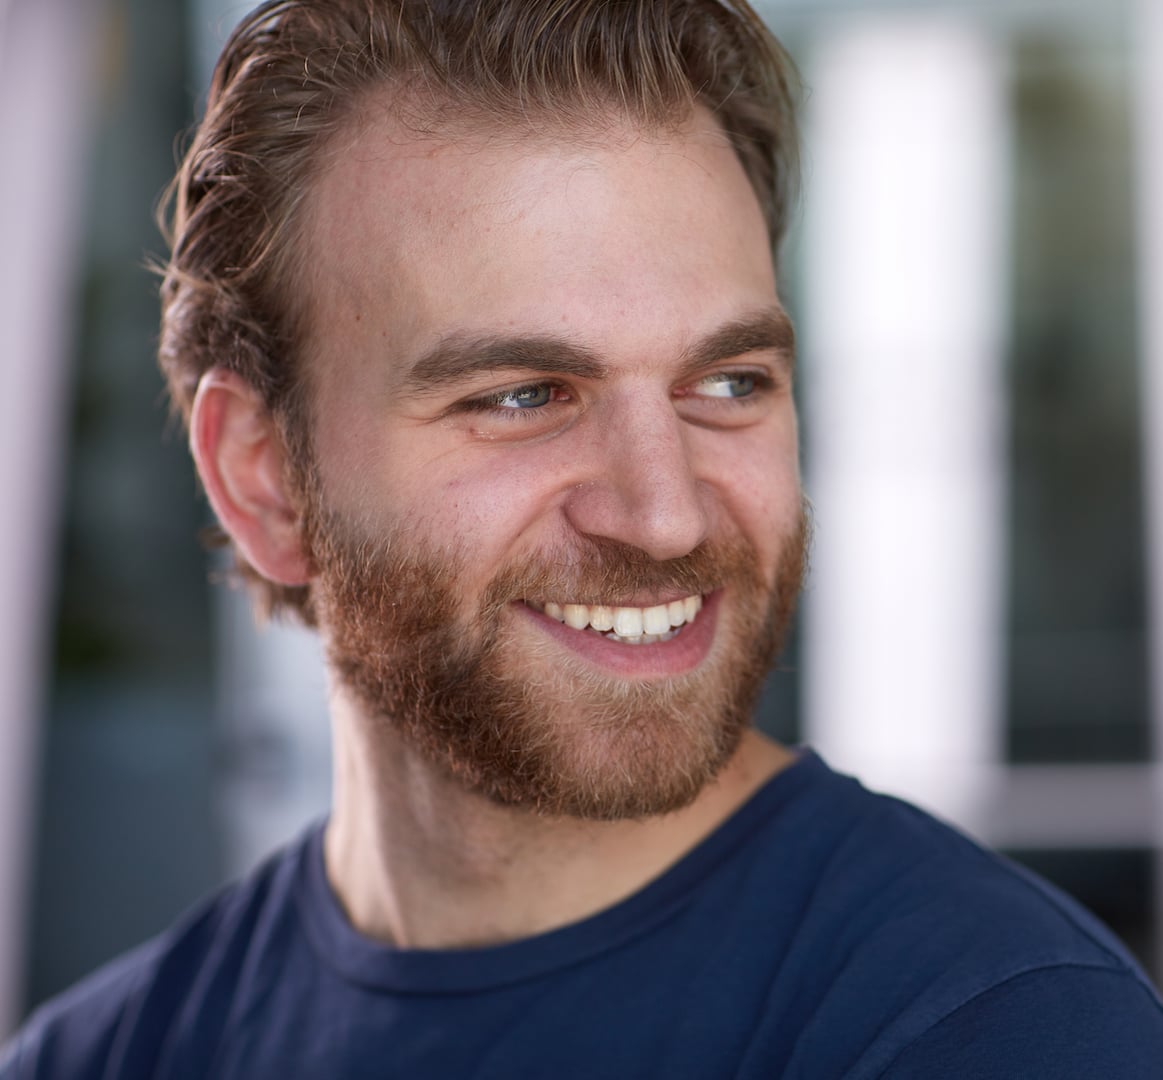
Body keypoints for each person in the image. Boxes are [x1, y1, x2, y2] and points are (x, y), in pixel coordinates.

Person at [4, 0, 1163, 1075]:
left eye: (727, 382)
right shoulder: (98, 1059)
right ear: (262, 479)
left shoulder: (996, 1031)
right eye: (521, 396)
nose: (664, 515)